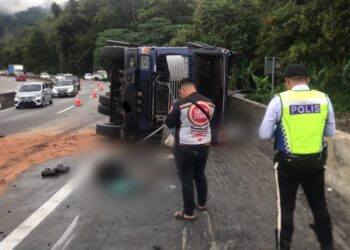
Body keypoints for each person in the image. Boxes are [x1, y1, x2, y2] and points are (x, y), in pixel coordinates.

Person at [259, 64, 336, 250]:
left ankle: (284, 246)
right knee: (319, 203)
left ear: (287, 81)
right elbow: (330, 131)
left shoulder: (280, 101)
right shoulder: (323, 99)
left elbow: (264, 134)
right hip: (315, 163)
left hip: (288, 164)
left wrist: (279, 128)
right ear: (308, 80)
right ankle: (327, 245)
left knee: (285, 208)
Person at [165, 78, 215, 221]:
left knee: (186, 179)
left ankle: (188, 212)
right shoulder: (210, 103)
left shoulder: (180, 105)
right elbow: (208, 121)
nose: (181, 95)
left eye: (181, 92)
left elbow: (169, 123)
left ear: (183, 90)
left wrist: (171, 111)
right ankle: (202, 203)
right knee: (200, 174)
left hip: (185, 147)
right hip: (204, 145)